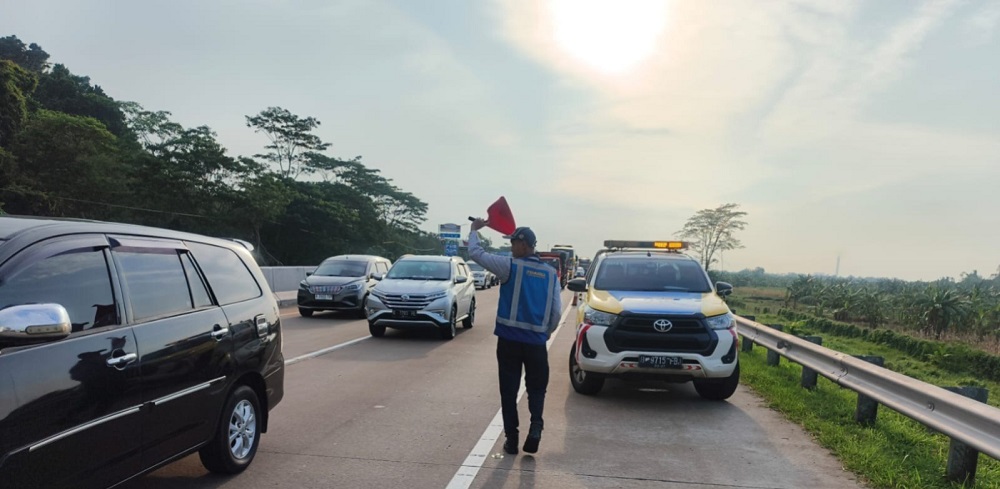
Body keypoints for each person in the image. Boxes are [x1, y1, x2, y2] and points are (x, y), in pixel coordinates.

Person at [468, 220, 562, 455]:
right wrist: (544, 333)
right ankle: (536, 426)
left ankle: (512, 440)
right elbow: (556, 313)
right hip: (537, 345)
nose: (511, 247)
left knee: (508, 391)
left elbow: (476, 253)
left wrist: (473, 232)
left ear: (523, 244)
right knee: (537, 389)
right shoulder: (551, 274)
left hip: (509, 342)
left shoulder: (509, 267)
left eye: (513, 243)